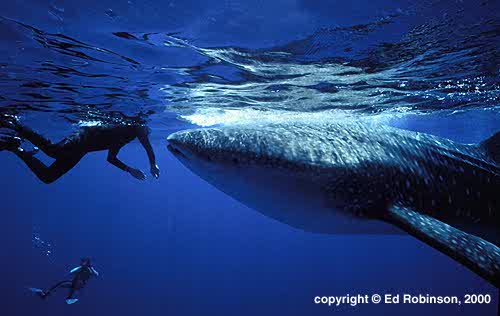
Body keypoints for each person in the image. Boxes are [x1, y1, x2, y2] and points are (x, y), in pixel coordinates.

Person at [0, 114, 160, 183]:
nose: (147, 133)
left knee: (48, 177)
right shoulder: (136, 127)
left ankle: (15, 148)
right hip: (84, 136)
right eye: (148, 130)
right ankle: (15, 124)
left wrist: (129, 169)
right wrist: (152, 163)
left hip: (81, 150)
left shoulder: (123, 140)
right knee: (53, 151)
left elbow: (111, 159)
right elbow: (147, 146)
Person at [30, 258, 99, 305]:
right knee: (60, 284)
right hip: (73, 283)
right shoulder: (79, 268)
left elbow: (96, 274)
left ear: (87, 263)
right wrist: (80, 267)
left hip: (79, 285)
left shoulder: (90, 270)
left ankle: (69, 298)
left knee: (76, 283)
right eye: (82, 262)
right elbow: (71, 272)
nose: (82, 263)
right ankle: (45, 294)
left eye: (84, 262)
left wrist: (91, 268)